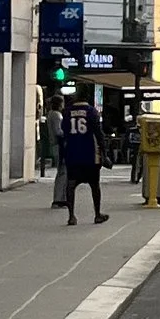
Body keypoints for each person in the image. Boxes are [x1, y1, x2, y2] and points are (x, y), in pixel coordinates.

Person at [54, 93, 108, 225]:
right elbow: (98, 133)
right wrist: (104, 152)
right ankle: (97, 214)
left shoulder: (67, 112)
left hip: (72, 153)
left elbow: (64, 132)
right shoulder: (91, 111)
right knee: (95, 185)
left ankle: (71, 216)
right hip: (90, 154)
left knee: (71, 185)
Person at [137, 97, 160, 209]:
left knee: (150, 171)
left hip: (150, 146)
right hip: (159, 147)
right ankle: (153, 198)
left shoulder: (146, 123)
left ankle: (152, 198)